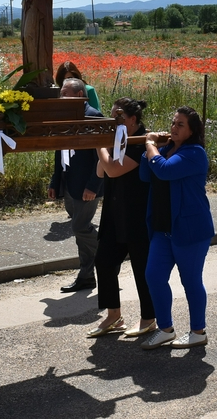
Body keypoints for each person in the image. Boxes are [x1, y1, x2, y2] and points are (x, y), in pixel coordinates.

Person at [139, 106, 215, 350]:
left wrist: (150, 145)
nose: (173, 127)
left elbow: (165, 170)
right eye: (173, 123)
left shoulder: (195, 153)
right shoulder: (166, 150)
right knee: (153, 276)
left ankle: (198, 331)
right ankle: (165, 329)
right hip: (163, 227)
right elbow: (145, 174)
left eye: (180, 124)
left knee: (190, 281)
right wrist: (152, 149)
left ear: (192, 130)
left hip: (190, 228)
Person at [88, 97, 156, 338]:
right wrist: (104, 146)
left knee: (142, 269)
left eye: (120, 117)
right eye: (113, 116)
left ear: (133, 120)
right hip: (115, 215)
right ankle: (114, 316)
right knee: (104, 262)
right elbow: (101, 170)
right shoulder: (118, 140)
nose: (115, 121)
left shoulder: (141, 143)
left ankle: (149, 319)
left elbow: (114, 169)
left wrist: (100, 145)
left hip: (137, 215)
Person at [49, 78, 105, 293]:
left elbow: (100, 156)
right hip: (69, 184)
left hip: (87, 186)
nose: (61, 98)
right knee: (80, 232)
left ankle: (110, 252)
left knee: (80, 228)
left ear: (81, 95)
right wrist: (55, 181)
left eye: (66, 93)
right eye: (61, 94)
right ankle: (87, 276)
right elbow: (58, 150)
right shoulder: (62, 116)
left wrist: (93, 185)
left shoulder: (93, 116)